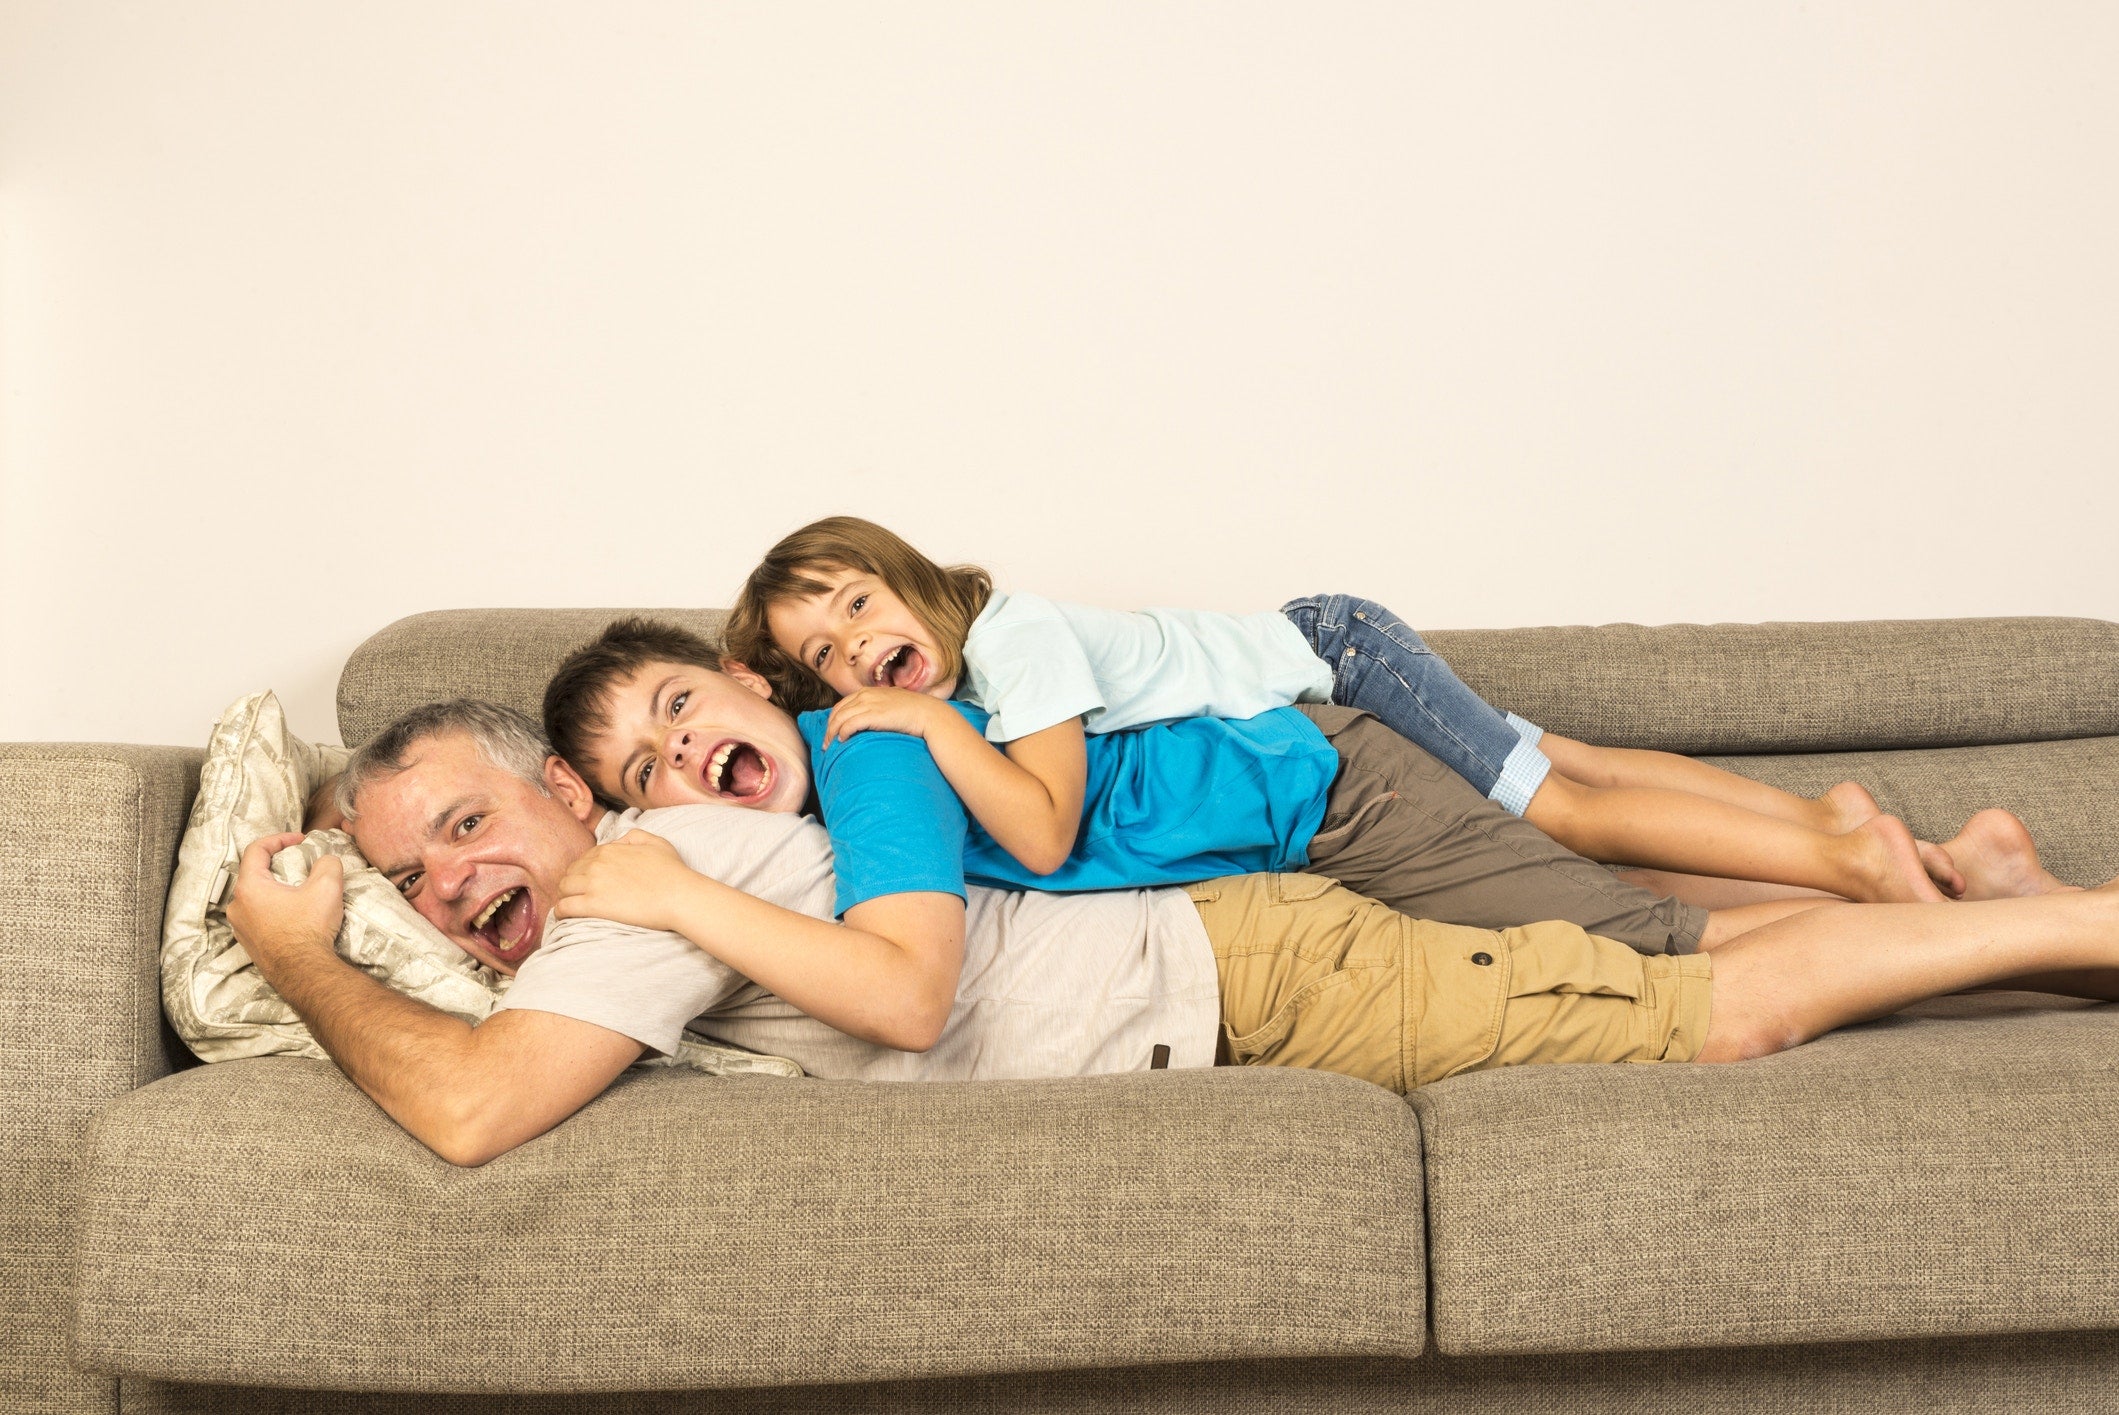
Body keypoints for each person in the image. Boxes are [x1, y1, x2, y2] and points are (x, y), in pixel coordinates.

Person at [227, 698, 2117, 1170]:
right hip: (1233, 954)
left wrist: (302, 950)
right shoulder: (630, 877)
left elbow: (472, 1111)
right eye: (411, 881)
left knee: (1710, 1006)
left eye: (467, 826)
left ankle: (2083, 921)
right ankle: (2021, 917)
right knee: (1653, 958)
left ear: (567, 796)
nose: (451, 887)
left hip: (1254, 965)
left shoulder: (633, 880)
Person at [544, 619, 2065, 974]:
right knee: (1601, 851)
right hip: (1305, 784)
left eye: (682, 708)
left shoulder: (876, 741)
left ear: (743, 678)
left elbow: (935, 949)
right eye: (644, 775)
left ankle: (1947, 905)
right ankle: (1950, 869)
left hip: (1324, 790)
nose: (682, 760)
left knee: (1640, 948)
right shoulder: (838, 771)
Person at [718, 516, 1961, 904]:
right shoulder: (983, 670)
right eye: (824, 655)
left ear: (908, 576)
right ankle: (1829, 816)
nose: (856, 649)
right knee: (1563, 756)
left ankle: (1849, 864)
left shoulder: (1010, 640)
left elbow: (1042, 833)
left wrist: (935, 730)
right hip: (1329, 639)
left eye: (859, 603)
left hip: (1339, 659)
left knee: (1561, 811)